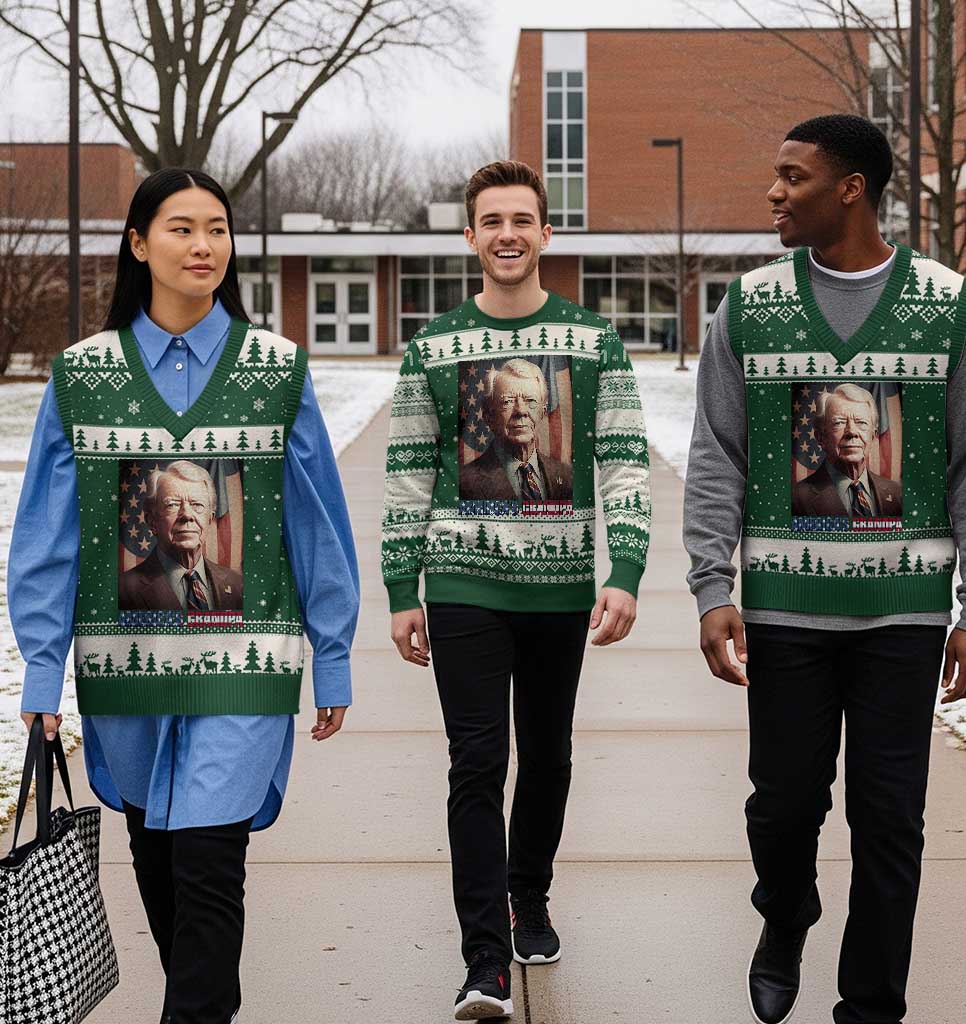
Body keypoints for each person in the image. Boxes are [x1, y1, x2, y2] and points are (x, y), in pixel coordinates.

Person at [684, 114, 966, 1024]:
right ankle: (784, 913)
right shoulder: (749, 305)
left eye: (793, 176)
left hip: (904, 619)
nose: (774, 192)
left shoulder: (946, 305)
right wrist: (713, 586)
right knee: (782, 810)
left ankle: (871, 1005)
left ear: (851, 188)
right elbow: (717, 452)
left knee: (890, 823)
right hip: (785, 614)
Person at [12, 168, 359, 1024]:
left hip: (243, 668)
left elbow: (315, 524)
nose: (203, 245)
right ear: (138, 244)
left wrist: (335, 654)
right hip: (124, 673)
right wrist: (40, 675)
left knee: (210, 865)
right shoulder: (82, 376)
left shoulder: (276, 371)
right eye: (180, 229)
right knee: (160, 863)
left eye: (216, 229)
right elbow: (47, 539)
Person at [381, 160, 652, 1021]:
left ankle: (527, 895)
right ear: (470, 236)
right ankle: (484, 961)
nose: (507, 234)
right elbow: (406, 474)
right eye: (491, 220)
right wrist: (401, 586)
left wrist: (627, 570)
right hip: (463, 580)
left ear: (546, 233)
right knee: (477, 760)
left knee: (549, 753)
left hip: (561, 589)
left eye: (522, 220)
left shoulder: (593, 340)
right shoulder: (433, 348)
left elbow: (623, 460)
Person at [119, 461, 244, 611]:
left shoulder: (237, 585)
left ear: (209, 520)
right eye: (172, 504)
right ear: (152, 521)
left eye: (197, 505)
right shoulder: (122, 591)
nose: (187, 515)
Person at [459, 357, 573, 501]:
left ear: (542, 413)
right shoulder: (464, 484)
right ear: (489, 416)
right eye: (508, 401)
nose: (521, 411)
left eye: (530, 400)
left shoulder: (567, 477)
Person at [791, 383, 902, 518]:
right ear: (821, 437)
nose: (852, 432)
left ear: (873, 436)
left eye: (861, 422)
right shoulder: (796, 500)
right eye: (839, 422)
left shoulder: (897, 494)